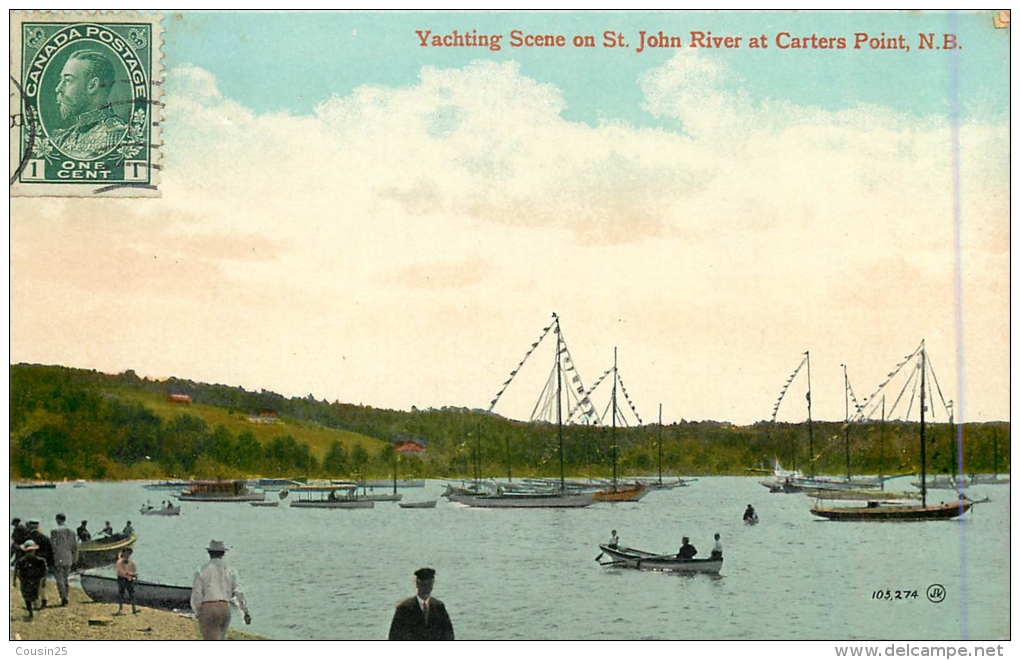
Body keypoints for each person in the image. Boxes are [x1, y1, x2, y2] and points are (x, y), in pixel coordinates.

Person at [51, 49, 128, 159]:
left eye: (68, 80)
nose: (58, 88)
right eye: (61, 80)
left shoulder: (117, 134)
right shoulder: (62, 138)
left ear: (92, 85)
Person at [191, 540, 252, 640]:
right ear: (223, 553)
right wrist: (244, 611)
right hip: (225, 607)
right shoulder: (230, 570)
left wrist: (198, 612)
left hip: (209, 607)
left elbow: (197, 595)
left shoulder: (201, 570)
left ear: (209, 553)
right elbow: (238, 592)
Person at [388, 567, 455, 641]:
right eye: (424, 585)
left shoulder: (439, 607)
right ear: (417, 584)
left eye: (429, 585)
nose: (427, 589)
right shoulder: (404, 608)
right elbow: (394, 636)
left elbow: (448, 634)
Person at [15, 540, 48, 620]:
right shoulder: (21, 561)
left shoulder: (40, 561)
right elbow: (17, 570)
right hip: (25, 580)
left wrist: (43, 580)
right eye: (28, 551)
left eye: (31, 551)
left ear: (34, 551)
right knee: (26, 596)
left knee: (34, 595)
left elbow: (44, 572)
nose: (30, 553)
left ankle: (34, 607)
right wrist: (14, 580)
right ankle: (30, 612)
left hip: (35, 580)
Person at [50, 514, 77, 606]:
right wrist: (74, 558)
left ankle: (63, 597)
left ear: (57, 519)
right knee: (66, 578)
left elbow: (53, 546)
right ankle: (66, 596)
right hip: (68, 557)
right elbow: (74, 547)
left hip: (58, 557)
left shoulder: (54, 531)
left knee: (60, 579)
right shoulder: (72, 532)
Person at [26, 521, 54, 610]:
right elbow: (50, 551)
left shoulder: (30, 538)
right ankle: (43, 599)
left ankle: (38, 601)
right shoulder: (45, 537)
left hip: (34, 563)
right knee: (41, 583)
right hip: (44, 562)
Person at [114, 548, 138, 615]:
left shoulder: (131, 562)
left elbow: (134, 570)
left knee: (132, 594)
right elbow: (119, 571)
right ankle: (120, 609)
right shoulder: (119, 562)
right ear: (123, 554)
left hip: (129, 579)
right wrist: (128, 574)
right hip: (122, 579)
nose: (127, 555)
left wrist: (133, 576)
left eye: (129, 553)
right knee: (121, 594)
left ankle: (134, 609)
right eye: (126, 553)